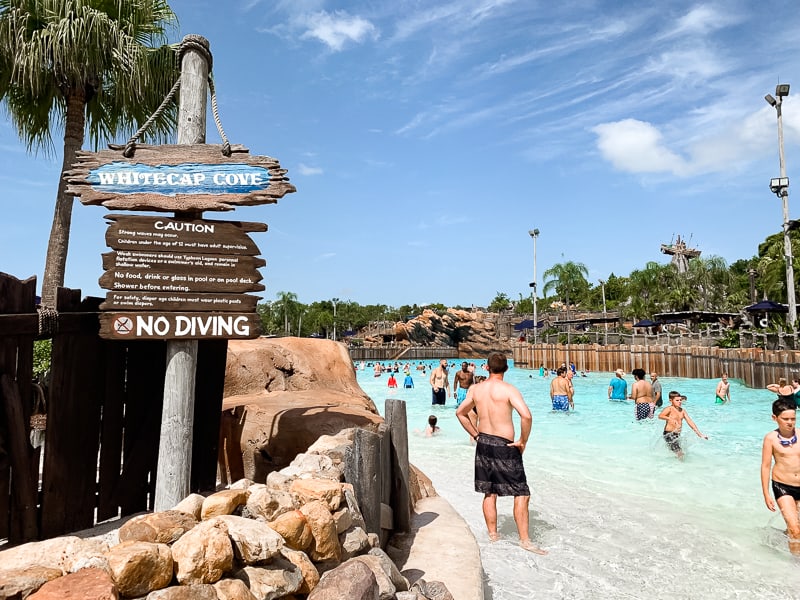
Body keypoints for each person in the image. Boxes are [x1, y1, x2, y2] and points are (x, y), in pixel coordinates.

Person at [455, 351, 547, 554]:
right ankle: (525, 541)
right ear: (506, 368)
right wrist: (523, 441)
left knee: (490, 491)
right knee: (521, 492)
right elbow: (527, 416)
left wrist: (476, 435)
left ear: (486, 367)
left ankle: (493, 535)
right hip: (504, 445)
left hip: (484, 443)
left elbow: (460, 413)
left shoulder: (476, 389)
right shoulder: (509, 390)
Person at [760, 398, 800, 555]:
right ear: (774, 418)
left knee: (795, 527)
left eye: (793, 418)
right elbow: (765, 466)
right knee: (796, 531)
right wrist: (766, 494)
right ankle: (795, 567)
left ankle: (785, 536)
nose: (790, 422)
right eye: (785, 419)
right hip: (783, 486)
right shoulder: (770, 439)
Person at [658, 391, 707, 459]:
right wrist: (670, 419)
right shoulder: (669, 409)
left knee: (677, 451)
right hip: (669, 434)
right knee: (680, 453)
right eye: (677, 400)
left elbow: (690, 422)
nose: (680, 402)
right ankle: (682, 466)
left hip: (677, 435)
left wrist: (699, 434)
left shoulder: (682, 411)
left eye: (680, 400)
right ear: (671, 400)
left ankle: (674, 464)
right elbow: (660, 416)